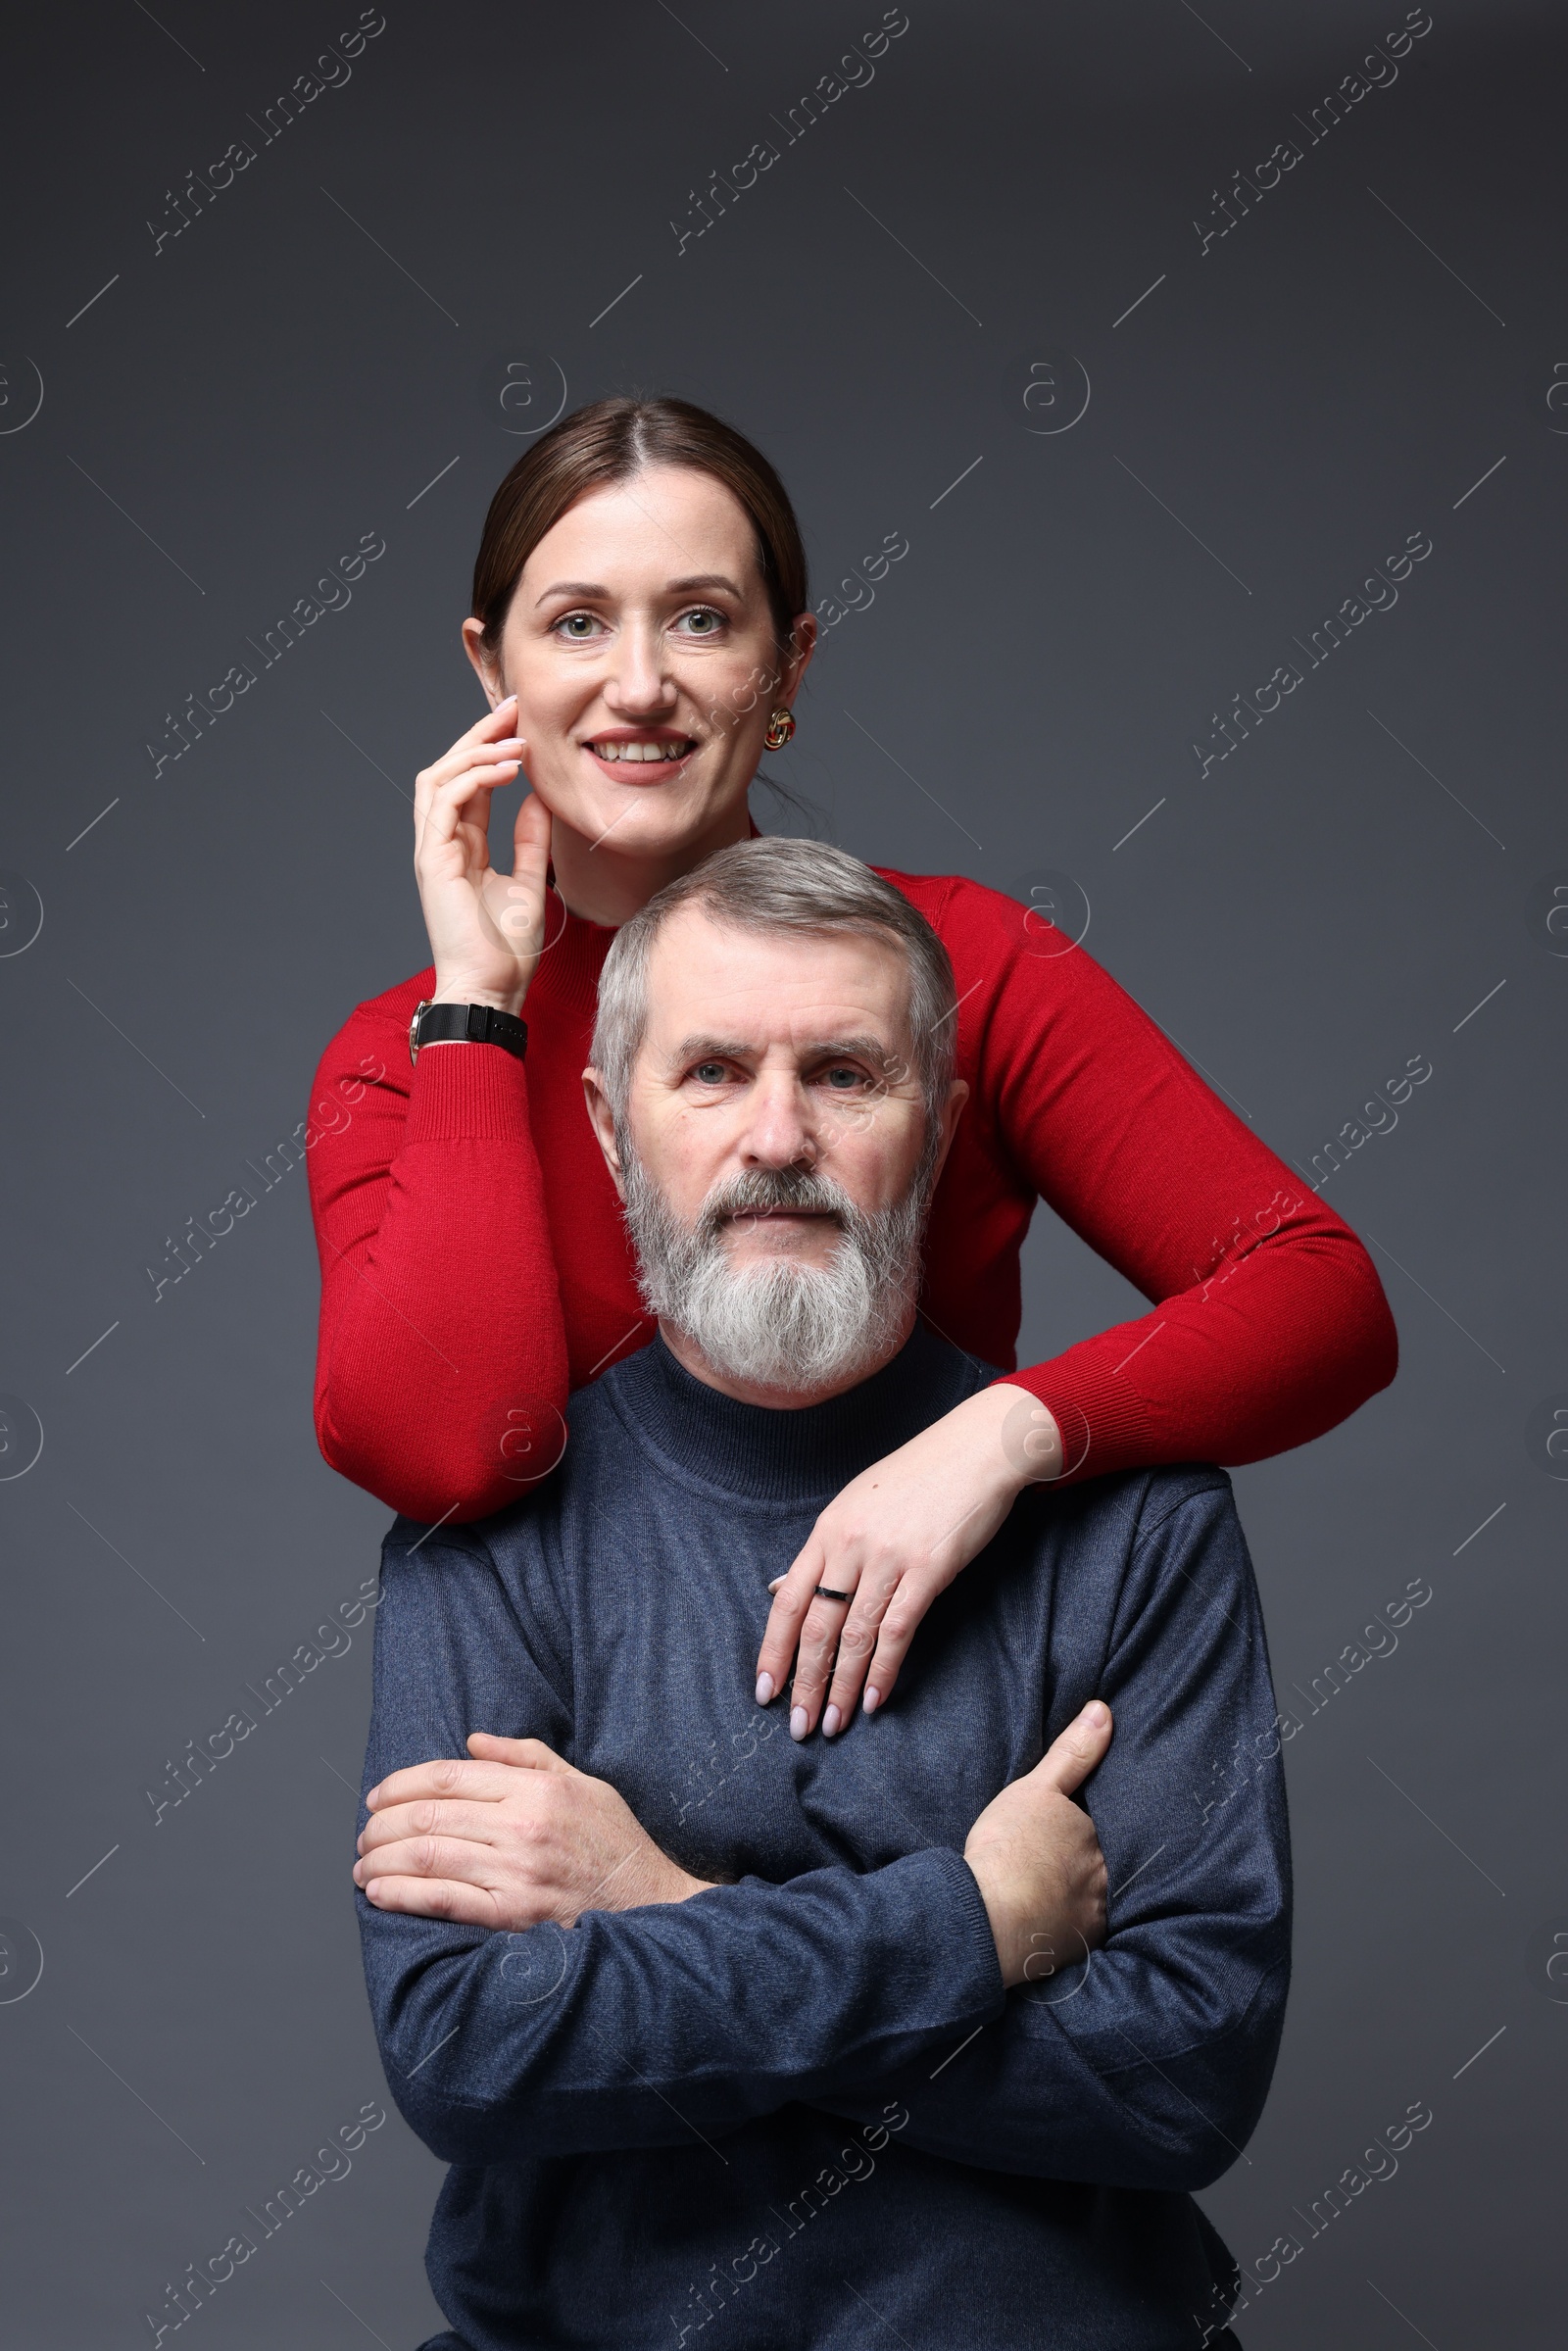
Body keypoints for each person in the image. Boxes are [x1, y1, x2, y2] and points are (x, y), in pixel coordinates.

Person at [308, 393, 1395, 1740]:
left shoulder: (967, 969)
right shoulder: (408, 1055)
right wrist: (480, 1007)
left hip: (926, 1726)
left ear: (789, 666)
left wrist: (996, 1438)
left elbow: (1323, 1298)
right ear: (493, 668)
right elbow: (451, 1448)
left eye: (702, 619)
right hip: (581, 1762)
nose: (640, 685)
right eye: (578, 621)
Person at [353, 841, 1287, 2350]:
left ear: (938, 1128)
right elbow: (469, 2056)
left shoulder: (1139, 1524)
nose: (776, 1137)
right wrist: (973, 1926)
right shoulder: (490, 1528)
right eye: (713, 1073)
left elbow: (1178, 2085)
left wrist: (658, 1905)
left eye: (846, 1075)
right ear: (607, 1129)